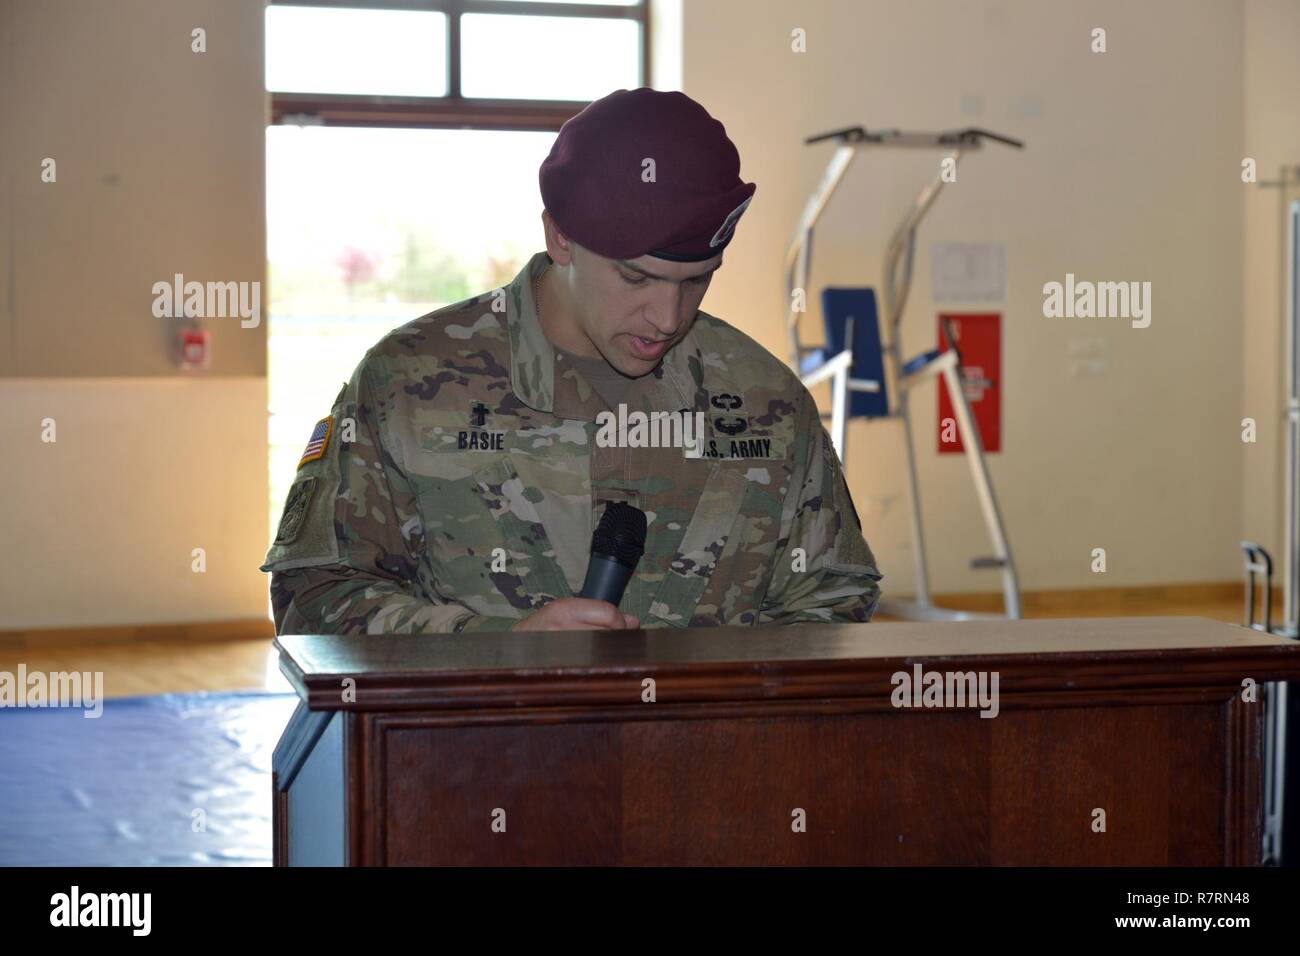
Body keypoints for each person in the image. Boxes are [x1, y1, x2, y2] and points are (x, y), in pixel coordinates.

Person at [261, 87, 883, 635]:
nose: (667, 316)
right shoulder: (409, 382)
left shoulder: (764, 400)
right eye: (636, 279)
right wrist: (501, 648)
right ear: (560, 236)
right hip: (470, 761)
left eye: (696, 281)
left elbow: (833, 598)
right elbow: (311, 599)